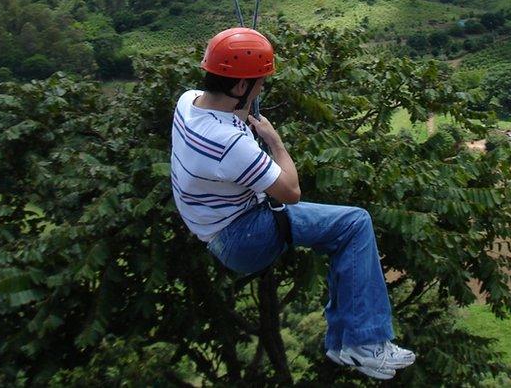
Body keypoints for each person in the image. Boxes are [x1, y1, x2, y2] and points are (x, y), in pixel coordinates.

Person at [170, 27, 416, 379]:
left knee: (343, 230)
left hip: (211, 227)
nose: (261, 90)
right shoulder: (227, 143)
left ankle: (345, 343)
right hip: (242, 238)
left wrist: (242, 112)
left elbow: (228, 122)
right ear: (240, 87)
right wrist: (275, 142)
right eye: (259, 84)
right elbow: (290, 191)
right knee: (354, 224)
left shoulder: (187, 101)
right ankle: (363, 343)